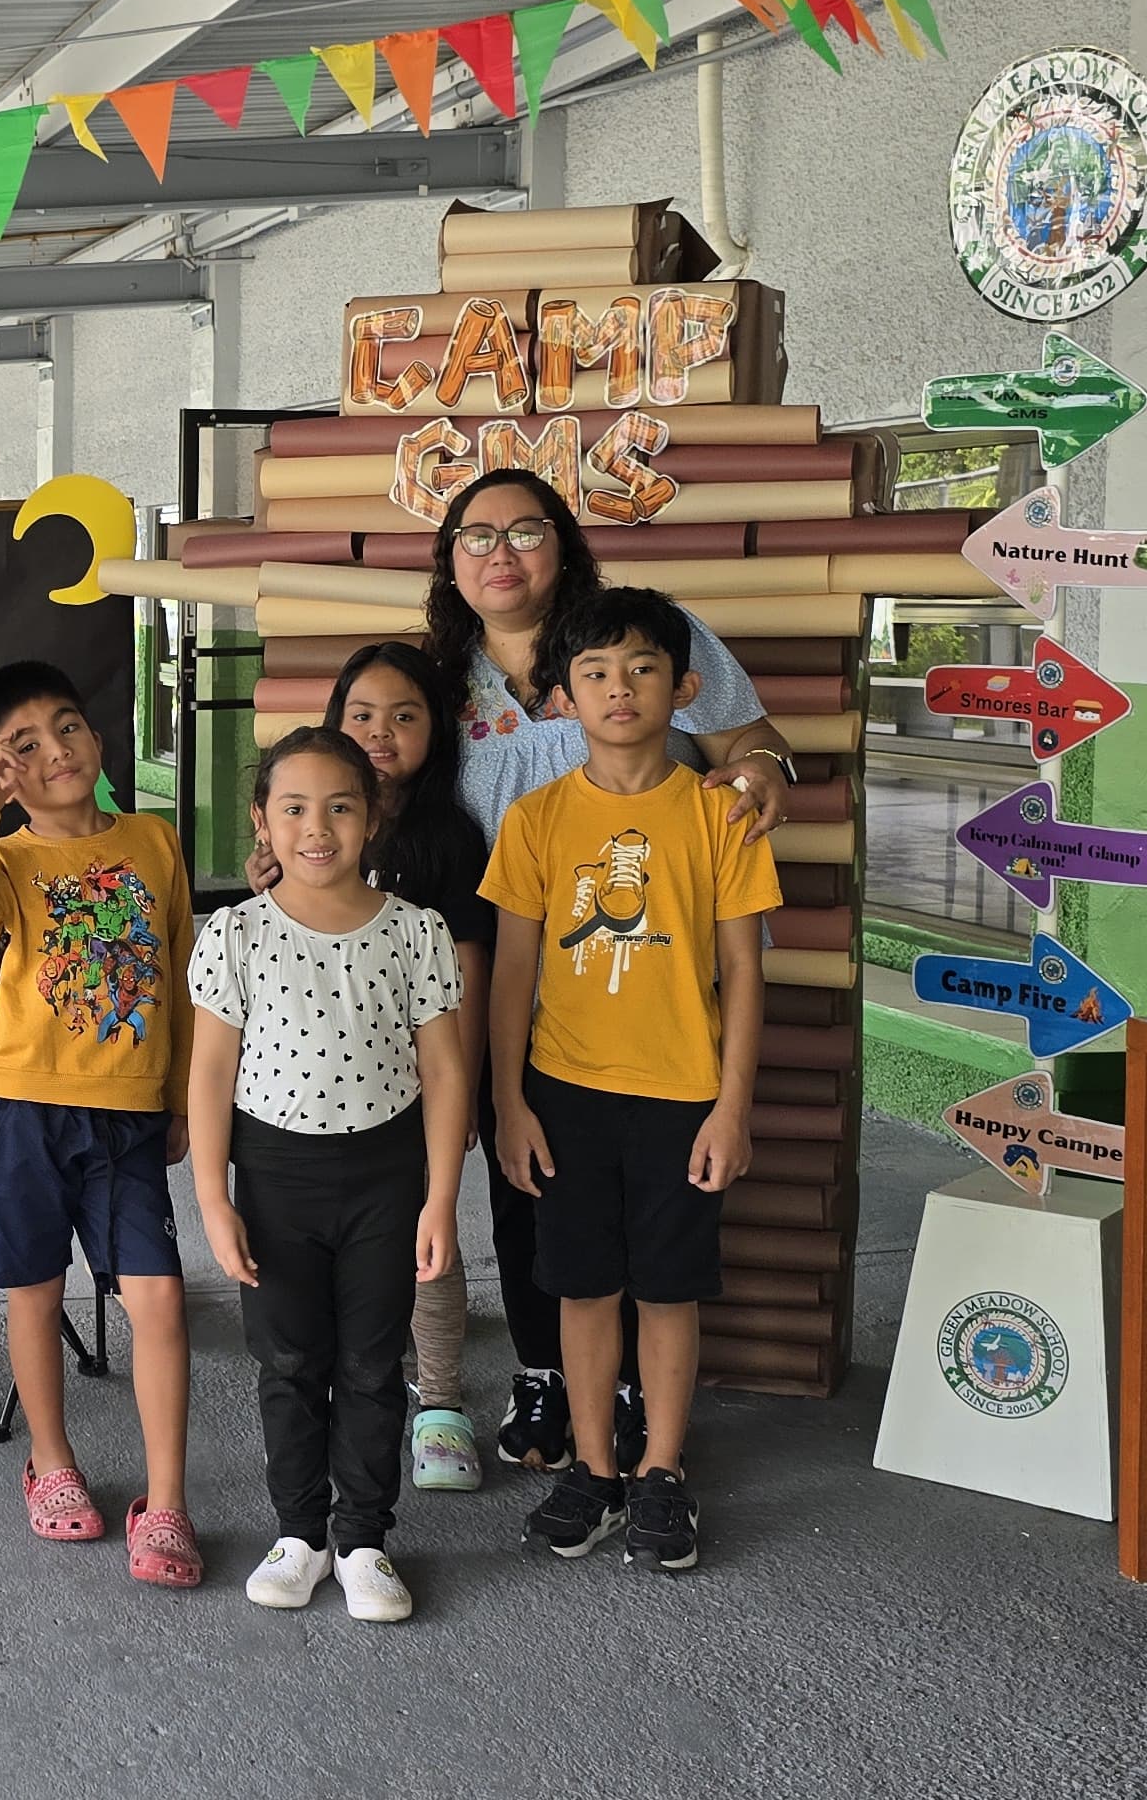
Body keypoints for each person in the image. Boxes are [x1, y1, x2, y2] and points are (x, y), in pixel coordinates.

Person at [429, 468, 797, 1479]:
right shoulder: (441, 673)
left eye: (525, 530)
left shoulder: (640, 633)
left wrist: (762, 771)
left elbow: (752, 740)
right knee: (529, 1188)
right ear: (450, 562)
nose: (500, 553)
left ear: (565, 544)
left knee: (658, 1214)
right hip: (510, 965)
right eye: (475, 536)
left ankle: (638, 1398)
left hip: (657, 978)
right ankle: (545, 1375)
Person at [482, 587, 783, 1574]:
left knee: (666, 1289)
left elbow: (742, 970)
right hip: (564, 1094)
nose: (621, 688)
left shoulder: (718, 816)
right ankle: (595, 1471)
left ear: (685, 689)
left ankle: (660, 1471)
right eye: (597, 672)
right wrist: (509, 1103)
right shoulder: (533, 820)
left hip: (682, 1095)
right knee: (581, 1287)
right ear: (560, 699)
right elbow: (512, 974)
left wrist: (731, 1107)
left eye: (644, 668)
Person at [0, 661, 202, 1588]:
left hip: (128, 1112)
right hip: (25, 1105)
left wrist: (178, 1096)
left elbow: (181, 971)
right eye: (25, 745)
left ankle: (167, 1503)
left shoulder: (154, 841)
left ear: (96, 733)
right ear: (2, 768)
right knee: (35, 1291)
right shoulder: (5, 857)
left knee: (158, 1298)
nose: (56, 750)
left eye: (67, 725)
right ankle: (50, 1462)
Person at [191, 729, 471, 1622]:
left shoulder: (416, 932)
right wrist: (213, 1199)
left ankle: (363, 1540)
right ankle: (299, 1535)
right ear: (262, 822)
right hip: (275, 1175)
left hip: (386, 1175)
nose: (318, 828)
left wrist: (440, 1199)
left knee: (372, 1362)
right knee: (287, 1359)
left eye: (340, 806)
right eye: (295, 808)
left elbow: (446, 1072)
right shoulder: (235, 933)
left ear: (373, 816)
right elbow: (210, 1073)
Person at [246, 644, 504, 1493]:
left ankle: (441, 1402)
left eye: (404, 716)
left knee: (430, 1242)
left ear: (437, 731)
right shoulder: (302, 834)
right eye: (362, 714)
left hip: (416, 1083)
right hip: (316, 1101)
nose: (381, 731)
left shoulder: (447, 839)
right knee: (349, 1269)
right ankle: (351, 1403)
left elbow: (467, 969)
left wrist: (462, 1085)